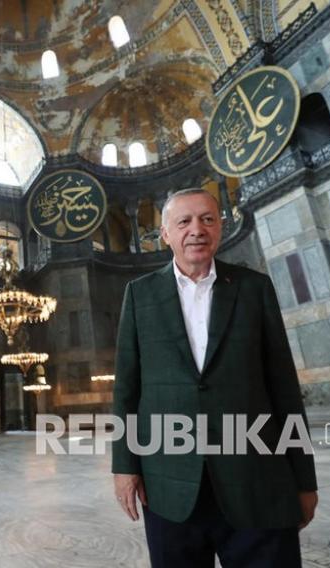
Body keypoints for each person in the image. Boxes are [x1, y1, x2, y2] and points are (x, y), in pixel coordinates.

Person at [111, 188, 318, 567]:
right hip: (170, 485)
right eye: (184, 221)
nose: (197, 229)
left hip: (257, 481)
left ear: (221, 226)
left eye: (208, 219)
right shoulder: (139, 295)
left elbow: (284, 388)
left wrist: (305, 479)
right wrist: (125, 466)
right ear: (165, 234)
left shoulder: (254, 288)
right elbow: (127, 390)